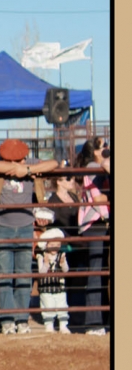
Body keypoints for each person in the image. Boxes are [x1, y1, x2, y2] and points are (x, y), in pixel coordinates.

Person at [0, 139, 58, 335]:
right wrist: (19, 168)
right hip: (2, 226)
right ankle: (7, 319)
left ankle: (21, 318)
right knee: (4, 275)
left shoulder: (32, 163)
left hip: (26, 226)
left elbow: (54, 163)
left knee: (24, 275)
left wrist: (25, 170)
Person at [72, 137, 110, 335]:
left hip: (101, 223)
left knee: (103, 273)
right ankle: (94, 322)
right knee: (97, 271)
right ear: (95, 151)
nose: (107, 148)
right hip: (96, 223)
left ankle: (102, 319)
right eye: (103, 146)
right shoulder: (94, 166)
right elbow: (98, 198)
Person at [36, 227, 70, 334]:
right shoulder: (41, 256)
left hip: (59, 286)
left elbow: (66, 271)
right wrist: (46, 264)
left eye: (57, 245)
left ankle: (63, 325)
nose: (55, 247)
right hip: (46, 287)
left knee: (62, 306)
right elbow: (41, 273)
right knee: (48, 307)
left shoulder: (61, 255)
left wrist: (63, 263)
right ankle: (49, 326)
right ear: (46, 245)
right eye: (51, 245)